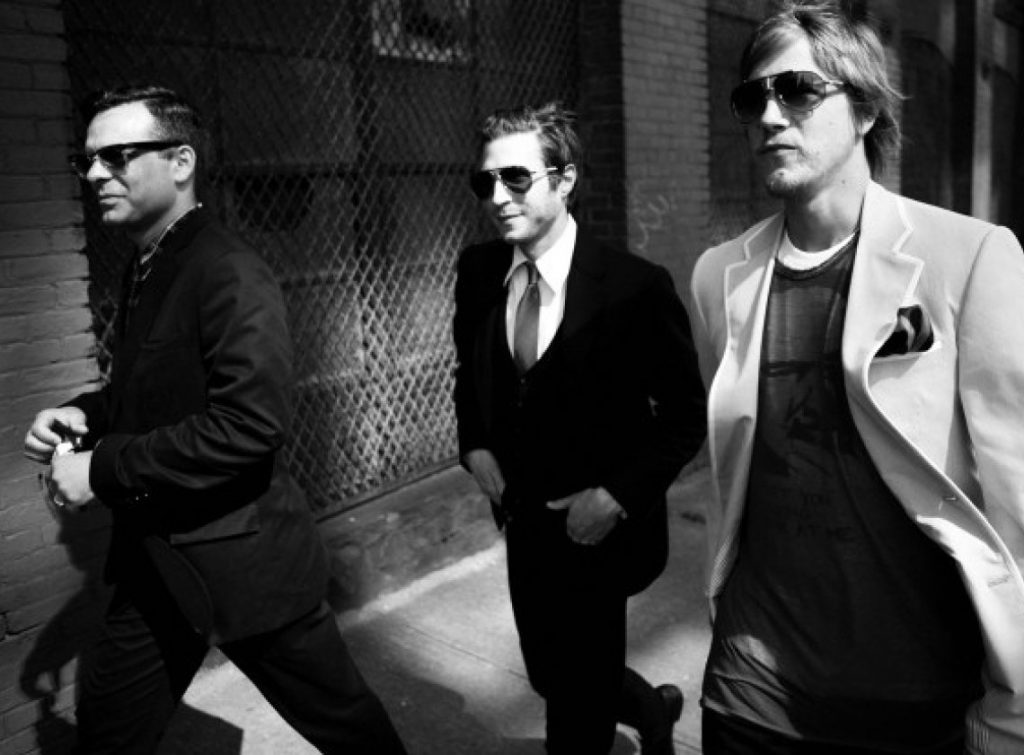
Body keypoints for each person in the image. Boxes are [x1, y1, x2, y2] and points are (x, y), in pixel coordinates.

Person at [23, 85, 407, 755]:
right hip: (155, 564)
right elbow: (153, 391)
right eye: (86, 160)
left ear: (181, 162)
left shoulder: (228, 270)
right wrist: (82, 413)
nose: (94, 175)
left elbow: (249, 426)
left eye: (116, 157)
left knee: (351, 732)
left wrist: (101, 468)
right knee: (110, 732)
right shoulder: (148, 264)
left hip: (245, 564)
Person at [689, 3, 1024, 754]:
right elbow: (733, 469)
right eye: (752, 97)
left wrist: (1014, 715)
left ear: (866, 108)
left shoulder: (970, 258)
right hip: (750, 685)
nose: (769, 115)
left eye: (797, 90)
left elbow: (1017, 502)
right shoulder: (718, 276)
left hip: (916, 695)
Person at [453, 102, 707, 755]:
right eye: (485, 182)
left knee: (576, 711)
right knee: (549, 674)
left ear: (565, 179)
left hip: (599, 531)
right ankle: (652, 708)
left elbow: (685, 417)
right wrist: (473, 443)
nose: (497, 197)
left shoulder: (634, 288)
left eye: (516, 178)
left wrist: (616, 495)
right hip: (524, 522)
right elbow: (469, 373)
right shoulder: (478, 272)